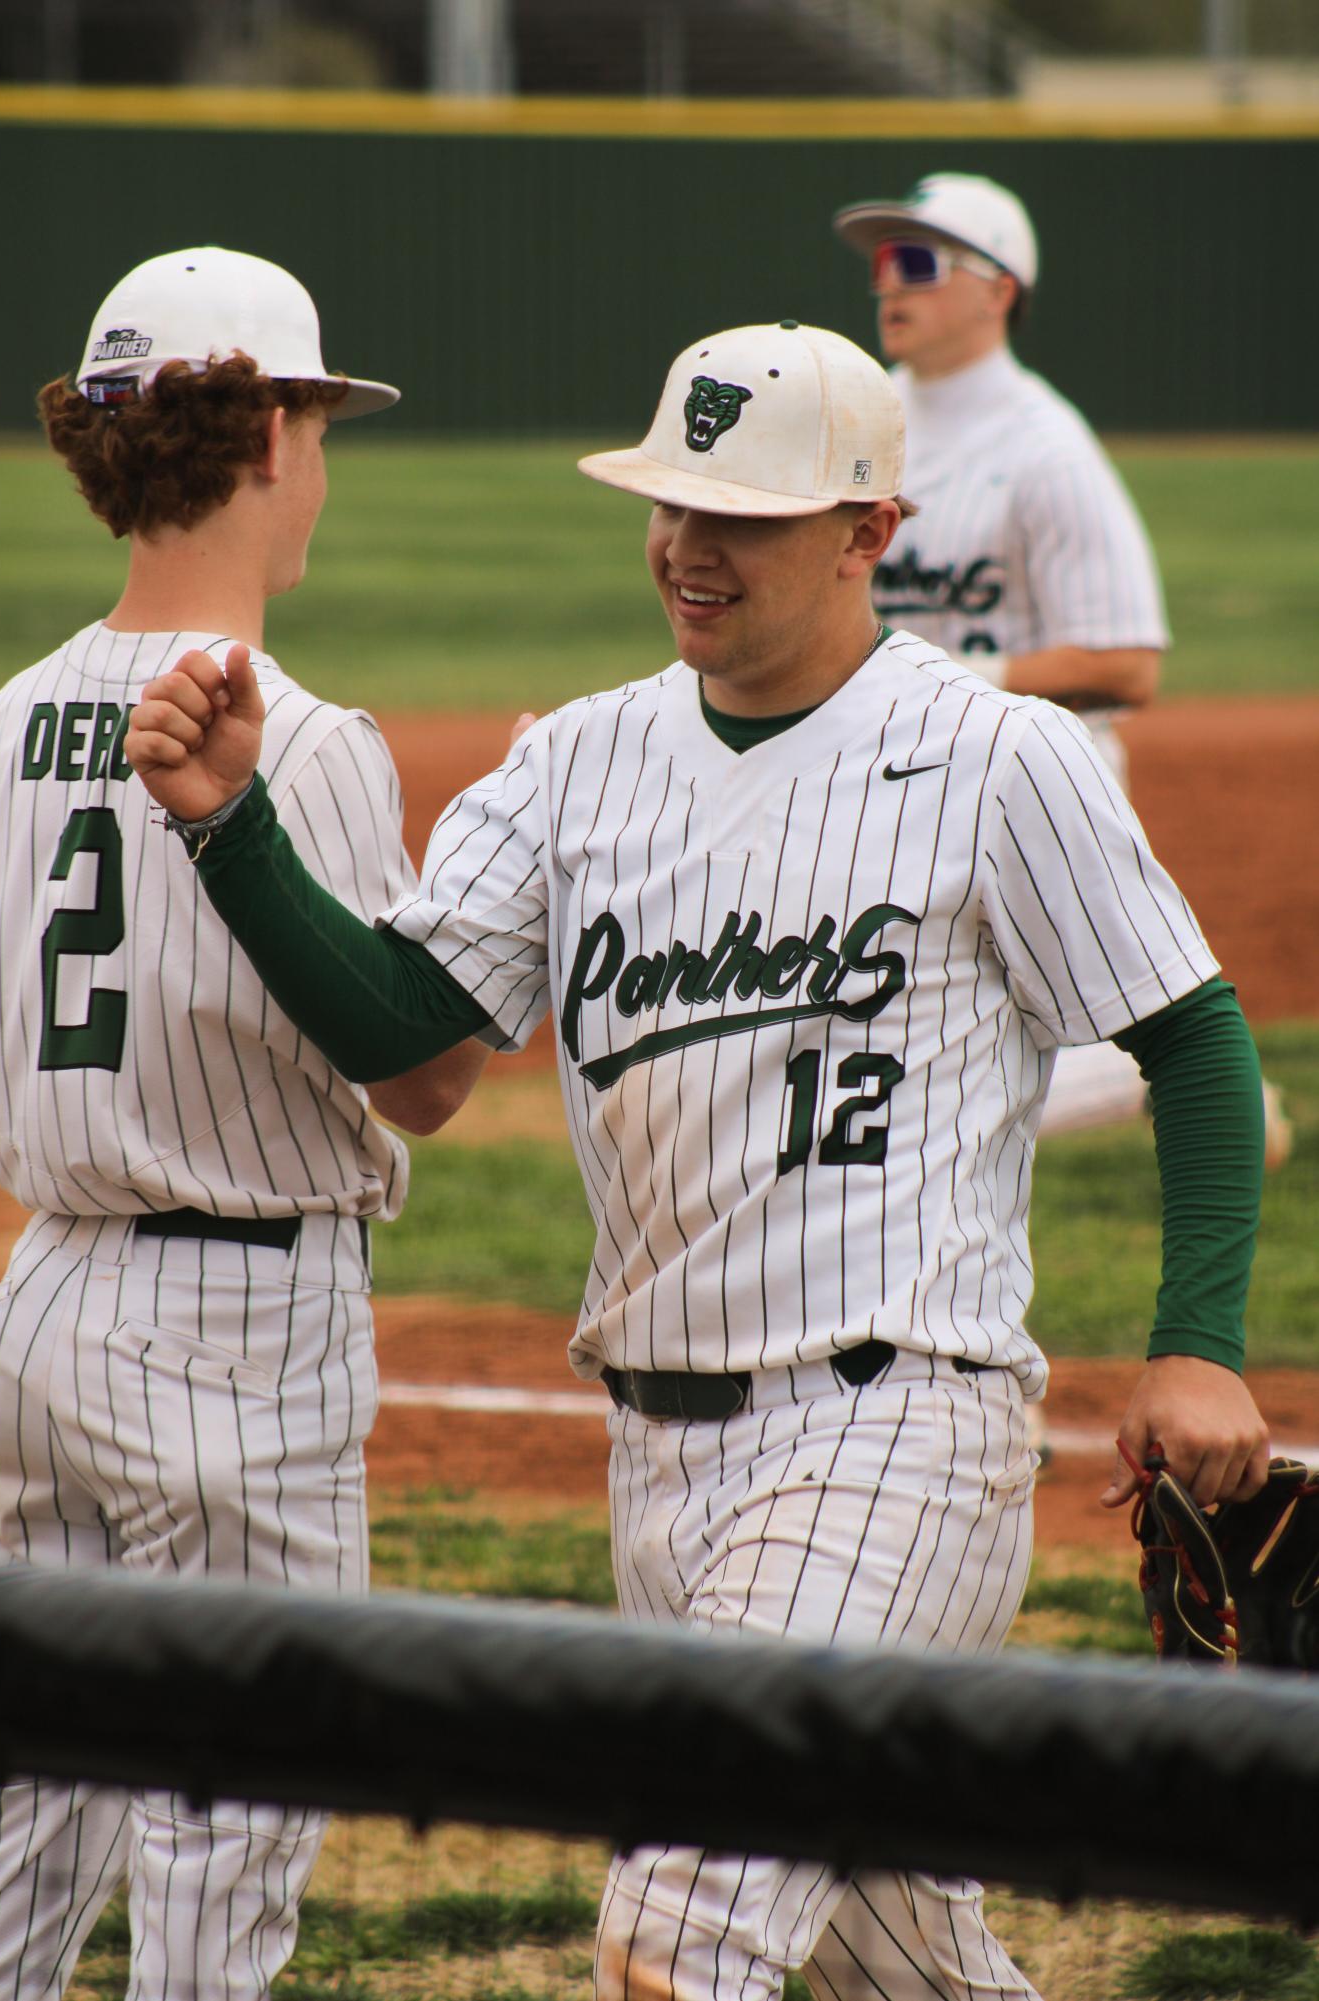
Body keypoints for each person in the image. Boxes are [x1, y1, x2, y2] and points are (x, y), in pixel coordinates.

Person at [125, 320, 1271, 2001]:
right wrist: (234, 829)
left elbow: (1190, 1035)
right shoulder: (577, 760)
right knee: (897, 1963)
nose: (685, 544)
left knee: (679, 1933)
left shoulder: (990, 758)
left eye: (736, 512)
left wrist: (1196, 1341)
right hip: (657, 1468)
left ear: (864, 532)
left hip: (892, 1427)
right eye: (669, 499)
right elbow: (413, 1042)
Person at [0, 246, 484, 1998]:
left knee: (25, 1808)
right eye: (319, 422)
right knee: (227, 1819)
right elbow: (418, 1072)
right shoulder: (310, 743)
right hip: (236, 1327)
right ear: (268, 432)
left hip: (40, 1303)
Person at [831, 171, 1289, 1160]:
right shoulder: (869, 423)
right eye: (880, 263)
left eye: (915, 262)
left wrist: (952, 680)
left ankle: (1175, 1081)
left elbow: (1126, 664)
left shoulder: (1045, 447)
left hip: (1034, 800)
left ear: (997, 288)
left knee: (941, 1090)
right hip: (892, 785)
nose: (887, 286)